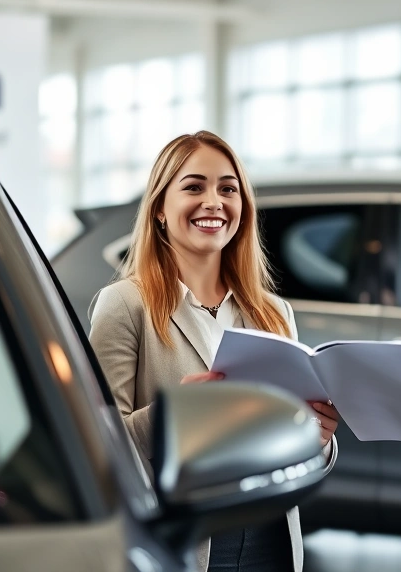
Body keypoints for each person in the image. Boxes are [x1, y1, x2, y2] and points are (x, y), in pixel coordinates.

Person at [88, 131, 340, 572]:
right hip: (188, 541)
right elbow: (98, 443)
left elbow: (298, 456)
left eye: (228, 189)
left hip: (271, 539)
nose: (213, 202)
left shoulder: (273, 312)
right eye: (193, 187)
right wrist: (174, 416)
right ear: (160, 209)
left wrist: (316, 439)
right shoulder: (125, 305)